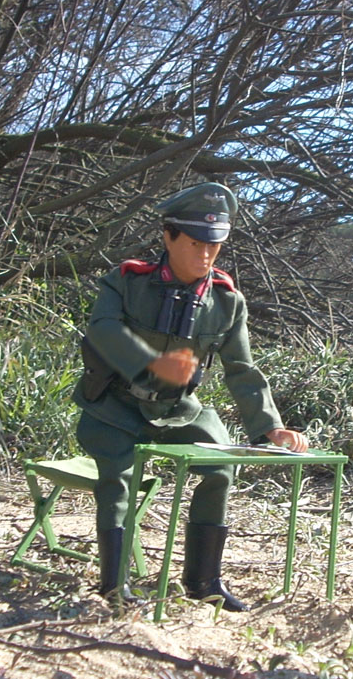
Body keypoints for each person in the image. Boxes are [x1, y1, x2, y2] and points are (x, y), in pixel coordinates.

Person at [72, 181, 309, 613]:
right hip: (114, 406)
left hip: (179, 409)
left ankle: (203, 579)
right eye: (196, 243)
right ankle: (114, 584)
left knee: (221, 466)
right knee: (119, 478)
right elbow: (102, 330)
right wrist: (150, 363)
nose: (205, 255)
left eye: (214, 245)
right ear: (169, 236)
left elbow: (242, 370)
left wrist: (269, 425)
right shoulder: (127, 282)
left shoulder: (226, 301)